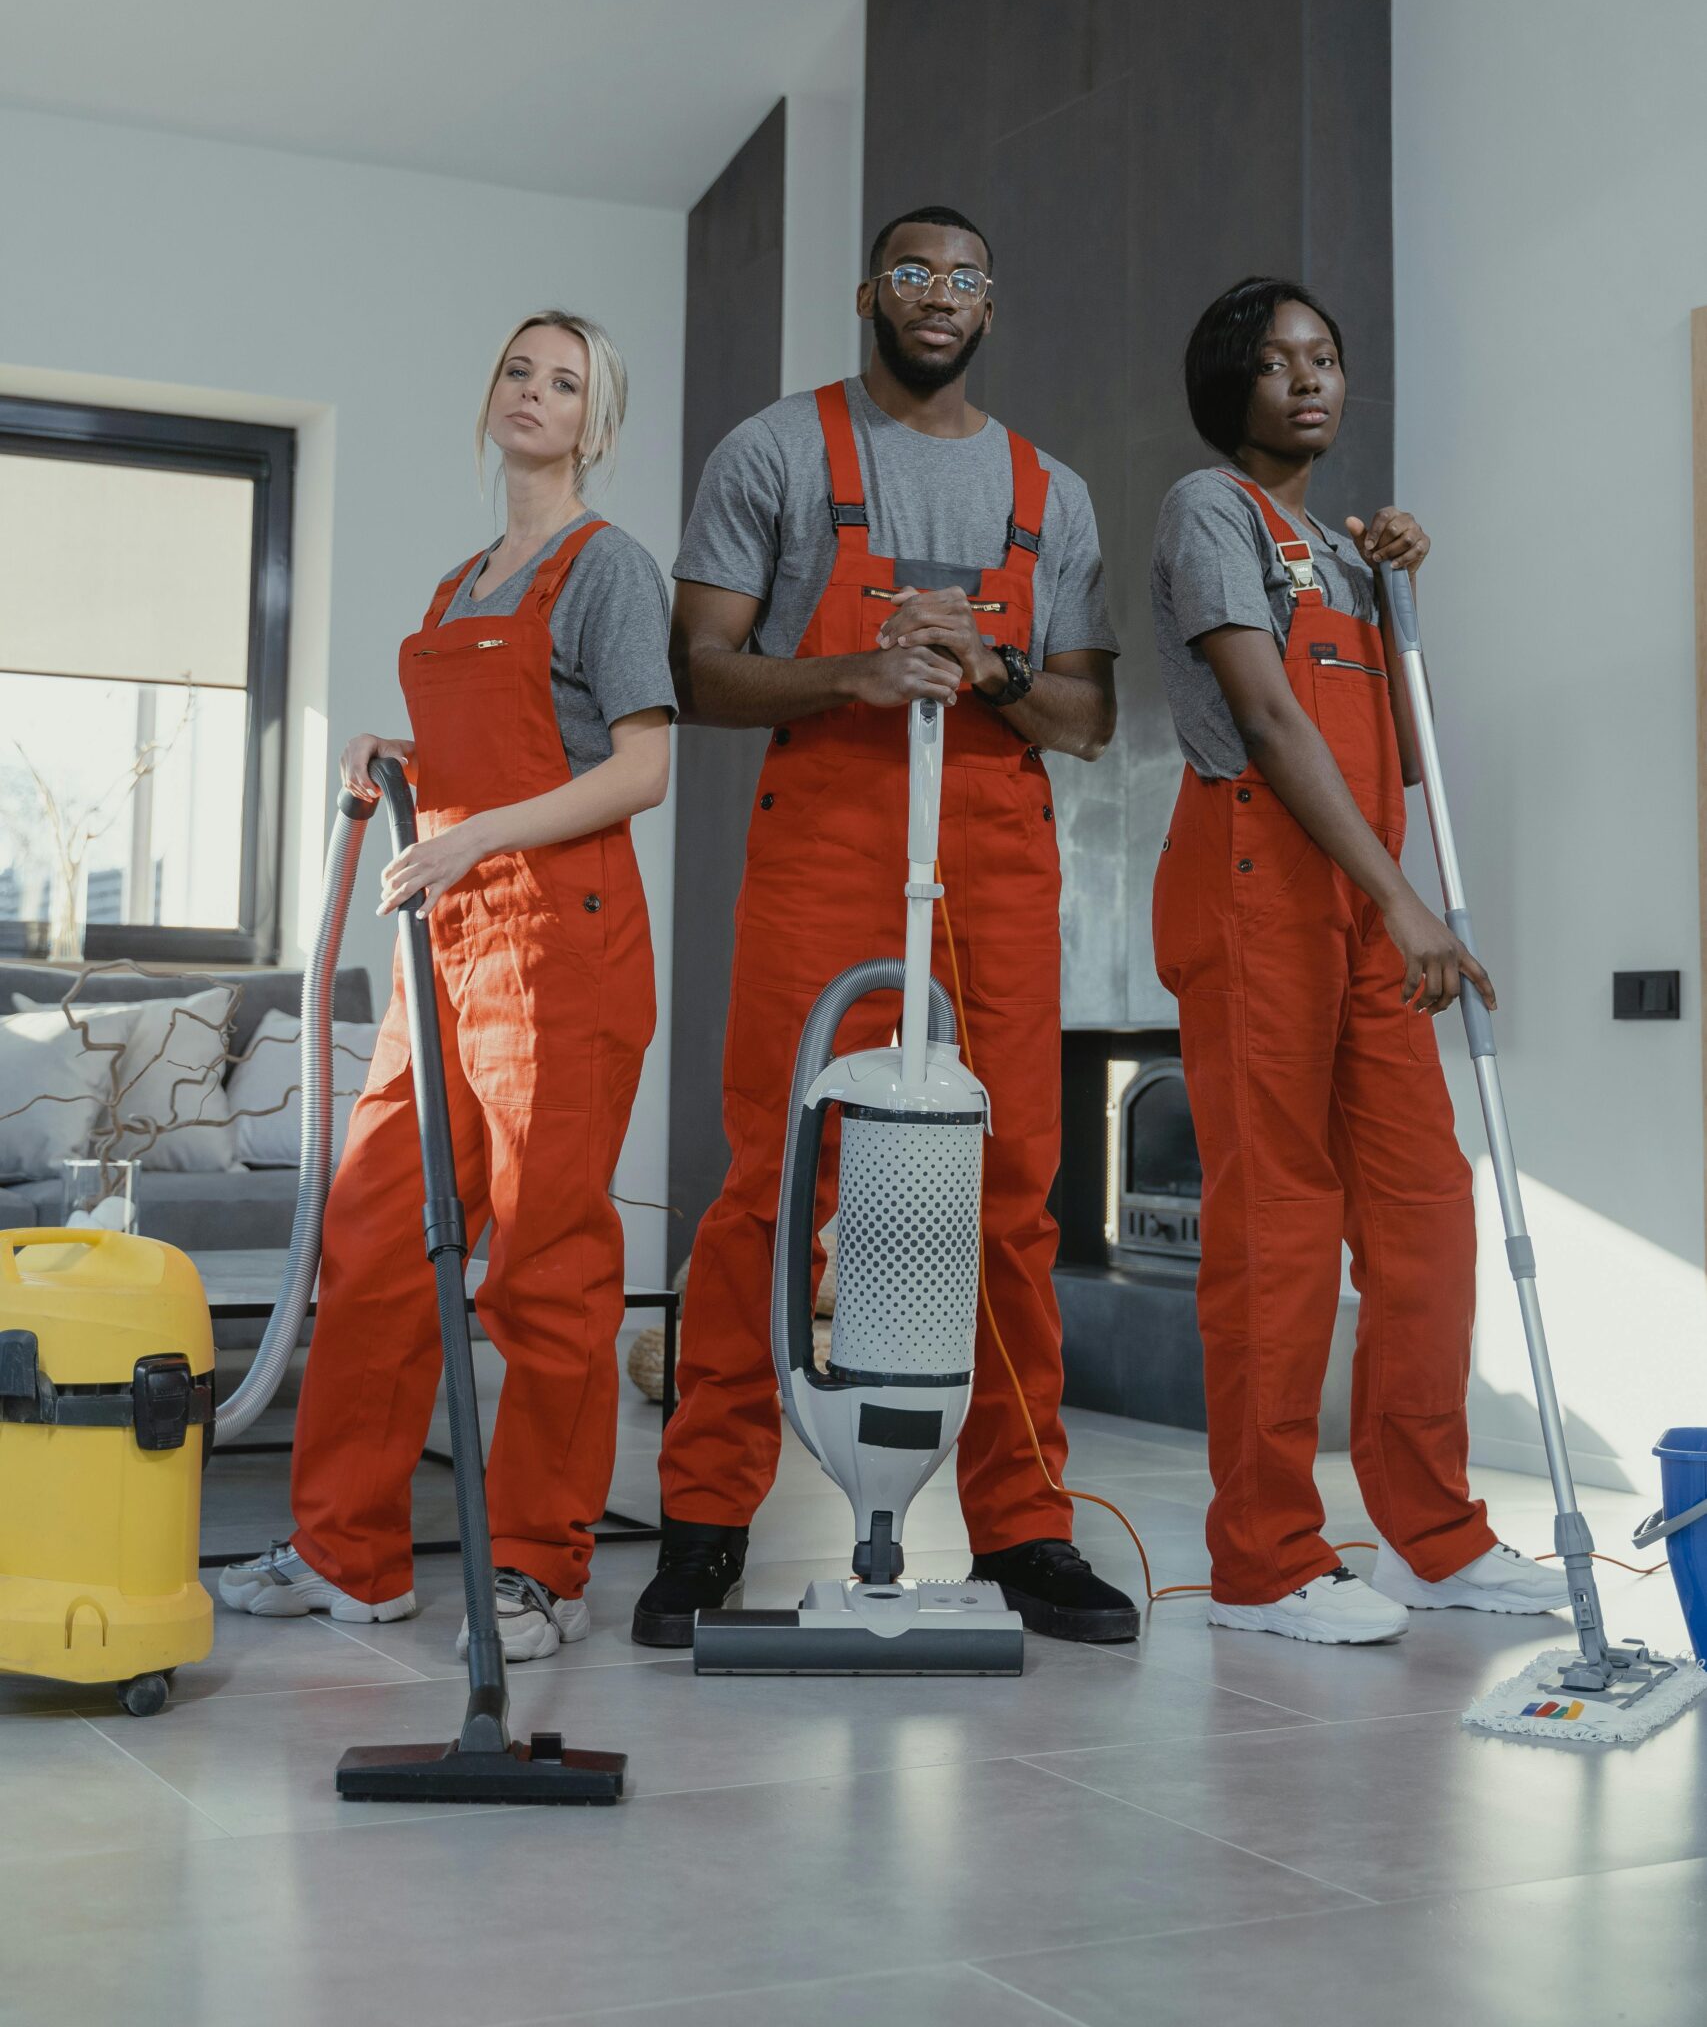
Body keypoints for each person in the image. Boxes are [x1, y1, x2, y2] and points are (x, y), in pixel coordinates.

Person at [633, 205, 1138, 1647]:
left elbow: (1091, 718)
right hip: (827, 838)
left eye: (966, 277)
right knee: (770, 1177)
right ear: (870, 292)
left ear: (993, 303)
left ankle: (1028, 1528)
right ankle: (707, 1523)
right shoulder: (777, 452)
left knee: (1018, 1184)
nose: (939, 296)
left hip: (995, 852)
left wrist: (990, 673)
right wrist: (857, 671)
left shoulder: (1055, 490)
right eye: (913, 272)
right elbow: (704, 673)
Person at [221, 311, 673, 1661]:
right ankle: (347, 1551)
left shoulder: (609, 570)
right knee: (373, 1240)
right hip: (447, 938)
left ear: (597, 423)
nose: (535, 395)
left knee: (541, 1261)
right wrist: (397, 753)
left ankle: (542, 1567)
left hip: (558, 941)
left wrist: (472, 832)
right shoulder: (462, 582)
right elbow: (496, 751)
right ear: (491, 399)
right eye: (519, 373)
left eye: (566, 382)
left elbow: (640, 765)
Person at [1149, 276, 1567, 1642]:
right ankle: (1264, 1560)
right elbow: (1270, 718)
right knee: (1275, 1226)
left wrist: (1390, 586)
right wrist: (1407, 903)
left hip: (1356, 895)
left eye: (1325, 359)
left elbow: (1393, 736)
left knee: (1426, 1212)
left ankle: (1431, 1537)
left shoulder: (1341, 544)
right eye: (1278, 364)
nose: (1311, 381)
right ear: (1233, 389)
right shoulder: (1211, 511)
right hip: (1256, 882)